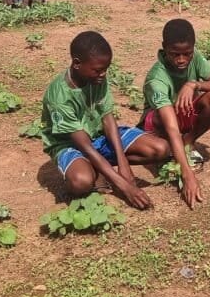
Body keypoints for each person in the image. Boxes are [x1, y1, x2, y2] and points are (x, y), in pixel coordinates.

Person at [40, 31, 171, 209]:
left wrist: (123, 163)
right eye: (98, 70)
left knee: (160, 149)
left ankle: (99, 167)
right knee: (81, 182)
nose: (103, 74)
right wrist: (124, 186)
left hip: (98, 136)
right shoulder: (59, 96)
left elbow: (107, 118)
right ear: (77, 63)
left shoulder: (96, 78)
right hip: (71, 145)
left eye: (105, 69)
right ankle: (91, 169)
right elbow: (84, 145)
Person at [140, 18, 210, 209]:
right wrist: (187, 175)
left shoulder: (195, 58)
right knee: (164, 135)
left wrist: (194, 84)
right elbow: (171, 126)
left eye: (186, 54)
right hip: (159, 125)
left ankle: (186, 142)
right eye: (175, 54)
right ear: (164, 49)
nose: (181, 60)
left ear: (193, 48)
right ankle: (172, 152)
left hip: (183, 115)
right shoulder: (157, 79)